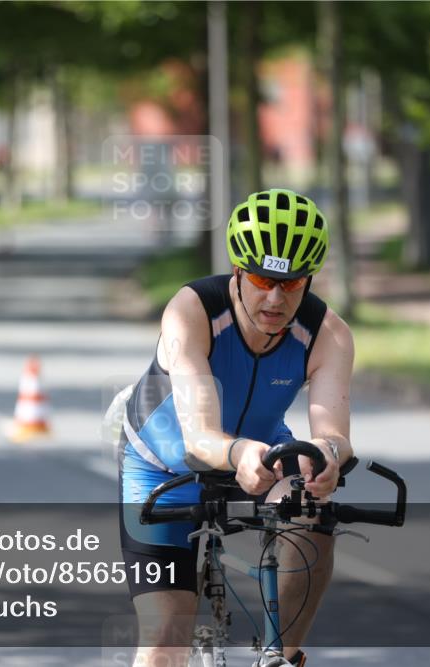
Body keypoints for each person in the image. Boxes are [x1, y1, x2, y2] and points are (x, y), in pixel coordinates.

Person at [117, 189, 353, 667]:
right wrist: (242, 452)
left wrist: (326, 454)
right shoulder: (192, 312)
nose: (274, 297)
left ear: (308, 280)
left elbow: (334, 433)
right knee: (165, 639)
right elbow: (201, 437)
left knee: (313, 508)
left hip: (260, 456)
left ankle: (279, 656)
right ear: (239, 271)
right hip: (164, 469)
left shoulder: (328, 333)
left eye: (291, 284)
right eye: (263, 279)